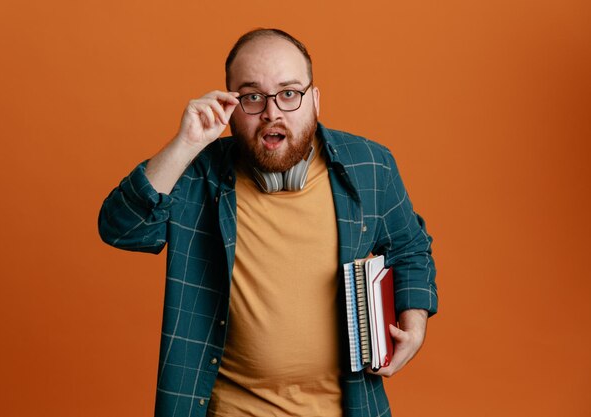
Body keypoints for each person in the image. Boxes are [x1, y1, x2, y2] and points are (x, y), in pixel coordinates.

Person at [99, 28, 438, 417]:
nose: (272, 113)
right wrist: (185, 144)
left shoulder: (371, 166)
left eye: (289, 93)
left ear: (315, 100)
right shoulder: (195, 175)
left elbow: (410, 247)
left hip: (349, 407)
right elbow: (122, 228)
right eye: (253, 97)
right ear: (230, 105)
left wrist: (414, 323)